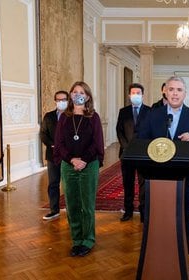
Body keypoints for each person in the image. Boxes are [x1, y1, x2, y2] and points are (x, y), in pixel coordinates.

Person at [138, 76, 189, 253]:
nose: (175, 93)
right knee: (159, 217)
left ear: (185, 94)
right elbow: (140, 142)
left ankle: (182, 251)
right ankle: (159, 250)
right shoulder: (152, 115)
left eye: (179, 90)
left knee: (183, 216)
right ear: (165, 91)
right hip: (157, 178)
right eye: (171, 89)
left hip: (185, 179)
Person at [54, 81, 104, 257]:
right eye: (74, 92)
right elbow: (59, 143)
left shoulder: (93, 117)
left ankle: (88, 239)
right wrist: (72, 160)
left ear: (87, 96)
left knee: (87, 204)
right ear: (70, 95)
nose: (77, 94)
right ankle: (76, 239)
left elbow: (97, 144)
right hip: (68, 166)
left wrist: (83, 160)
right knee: (72, 203)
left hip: (89, 165)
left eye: (81, 92)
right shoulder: (64, 118)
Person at [116, 83, 151, 222]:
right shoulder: (123, 111)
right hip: (126, 153)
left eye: (138, 93)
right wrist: (127, 147)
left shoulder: (149, 111)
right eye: (133, 93)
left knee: (144, 184)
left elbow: (151, 131)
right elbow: (119, 130)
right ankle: (128, 211)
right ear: (129, 95)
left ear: (143, 95)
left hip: (144, 154)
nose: (135, 95)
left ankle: (144, 211)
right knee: (128, 183)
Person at [40, 90, 69, 221]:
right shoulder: (49, 116)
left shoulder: (72, 116)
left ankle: (71, 210)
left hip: (69, 156)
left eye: (63, 100)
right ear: (55, 101)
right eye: (58, 100)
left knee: (69, 184)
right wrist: (53, 145)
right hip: (52, 155)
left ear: (68, 101)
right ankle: (54, 210)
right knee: (53, 183)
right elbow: (43, 134)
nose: (61, 102)